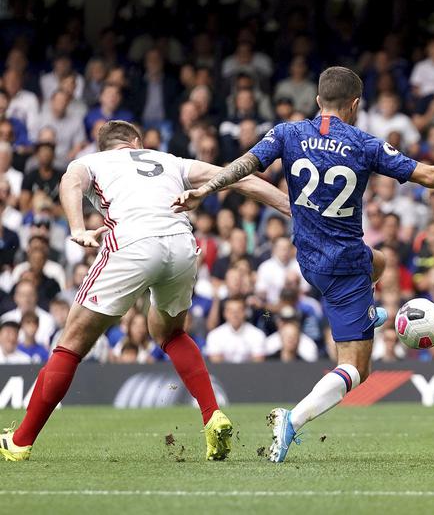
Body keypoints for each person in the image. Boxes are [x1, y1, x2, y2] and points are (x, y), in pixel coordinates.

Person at [173, 67, 434, 463]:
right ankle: (292, 419)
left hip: (309, 258)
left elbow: (244, 165)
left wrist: (204, 189)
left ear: (317, 100)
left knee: (381, 260)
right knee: (357, 369)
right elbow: (427, 175)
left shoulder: (287, 133)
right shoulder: (364, 143)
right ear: (354, 105)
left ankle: (369, 312)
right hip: (344, 265)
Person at [0, 120, 290, 463]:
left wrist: (77, 227)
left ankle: (20, 442)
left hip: (132, 242)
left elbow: (69, 182)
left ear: (105, 146)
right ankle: (212, 414)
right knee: (169, 332)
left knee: (71, 343)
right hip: (181, 243)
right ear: (137, 142)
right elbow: (238, 177)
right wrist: (292, 209)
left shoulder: (92, 162)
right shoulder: (170, 160)